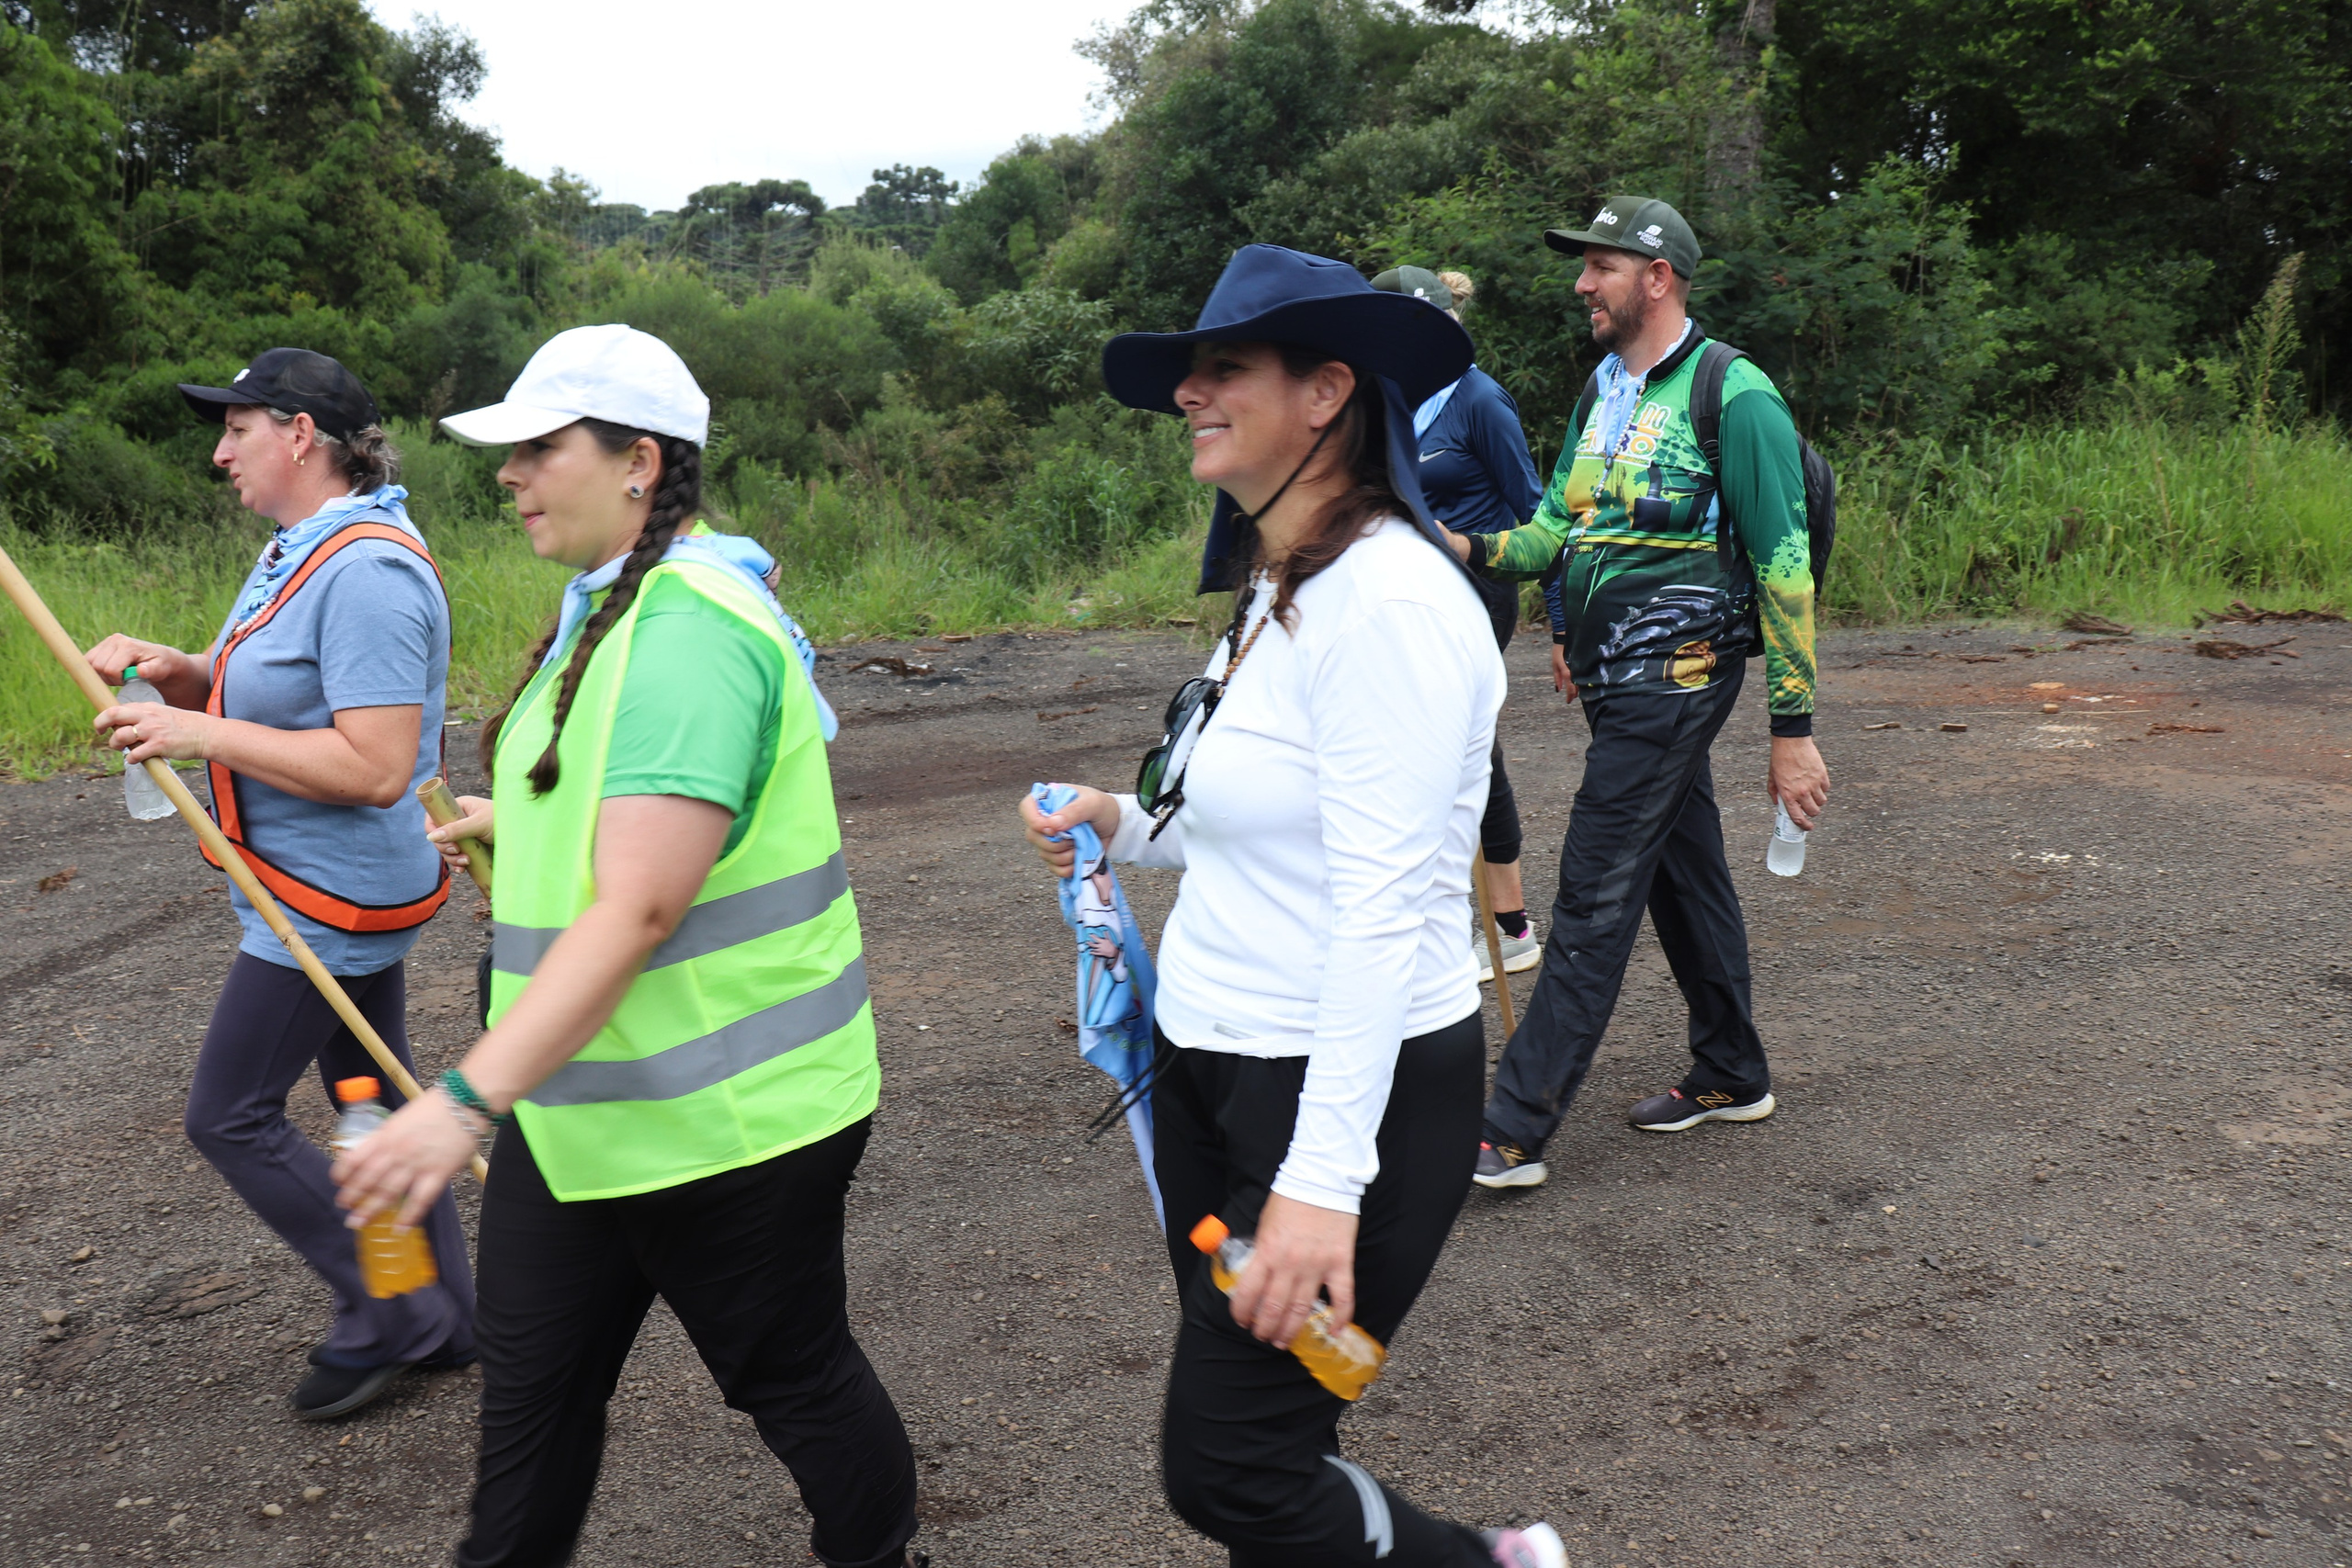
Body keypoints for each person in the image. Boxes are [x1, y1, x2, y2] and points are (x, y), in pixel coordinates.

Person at [329, 325, 920, 1568]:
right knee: (531, 1404)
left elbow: (642, 908)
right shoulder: (612, 602)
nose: (511, 473)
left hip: (728, 1122)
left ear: (640, 460)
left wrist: (460, 1101)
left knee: (793, 1378)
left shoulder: (688, 627)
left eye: (542, 447)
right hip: (582, 1108)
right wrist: (519, 823)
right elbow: (626, 810)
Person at [1020, 245, 1569, 1568]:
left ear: (1327, 391)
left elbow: (1386, 905)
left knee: (1232, 1464)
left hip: (1345, 1098)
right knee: (1277, 1440)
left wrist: (1324, 1184)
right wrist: (1119, 818)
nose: (1189, 394)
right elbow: (1242, 818)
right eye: (1189, 372)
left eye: (1223, 370)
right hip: (1216, 1070)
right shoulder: (1283, 585)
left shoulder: (1388, 600)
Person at [84, 347, 471, 1420]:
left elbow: (377, 764)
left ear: (301, 435)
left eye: (237, 430)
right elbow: (283, 695)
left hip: (329, 899)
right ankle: (439, 1313)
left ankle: (393, 1311)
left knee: (230, 1115)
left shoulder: (368, 573)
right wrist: (184, 671)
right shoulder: (301, 552)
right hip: (309, 884)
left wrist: (195, 727)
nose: (220, 452)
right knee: (372, 1103)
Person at [1442, 197, 1831, 1190]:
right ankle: (1731, 1070)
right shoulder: (1604, 387)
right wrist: (1454, 546)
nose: (1582, 284)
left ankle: (1512, 1125)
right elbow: (1553, 532)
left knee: (1596, 885)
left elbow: (1784, 564)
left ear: (1656, 277)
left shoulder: (1731, 393)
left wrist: (1792, 731)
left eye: (1599, 267)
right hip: (1616, 680)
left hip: (1681, 674)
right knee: (1680, 867)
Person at [1371, 265, 1545, 980]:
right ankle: (1433, 916)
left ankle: (1510, 929)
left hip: (1477, 590)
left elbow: (1536, 514)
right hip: (1401, 594)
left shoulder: (1479, 400)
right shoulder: (1378, 400)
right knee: (1411, 743)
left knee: (1466, 742)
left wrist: (1562, 628)